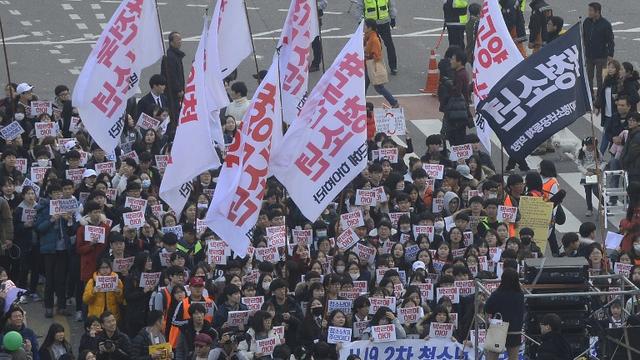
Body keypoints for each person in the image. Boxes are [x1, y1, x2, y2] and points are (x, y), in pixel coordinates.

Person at [484, 268, 524, 360]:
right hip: (515, 329)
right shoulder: (520, 295)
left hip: (498, 328)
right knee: (513, 357)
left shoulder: (497, 294)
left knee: (492, 357)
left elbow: (487, 309)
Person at [363, 19, 399, 108]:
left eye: (365, 26)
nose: (364, 27)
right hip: (368, 65)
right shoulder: (368, 36)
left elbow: (377, 55)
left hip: (371, 66)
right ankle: (359, 102)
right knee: (364, 86)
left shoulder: (373, 39)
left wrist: (367, 54)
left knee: (378, 87)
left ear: (370, 28)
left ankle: (394, 102)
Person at [357, 0, 398, 74]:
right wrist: (360, 20)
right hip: (371, 24)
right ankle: (368, 66)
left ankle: (393, 67)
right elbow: (360, 6)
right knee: (371, 46)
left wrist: (393, 18)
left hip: (384, 22)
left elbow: (391, 4)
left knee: (389, 45)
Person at [583, 2, 615, 92]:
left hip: (601, 56)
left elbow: (610, 41)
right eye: (589, 10)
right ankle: (590, 95)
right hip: (589, 56)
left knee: (601, 78)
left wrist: (610, 54)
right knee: (588, 77)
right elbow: (583, 36)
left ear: (597, 12)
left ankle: (600, 98)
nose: (589, 12)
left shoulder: (605, 24)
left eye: (591, 10)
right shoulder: (586, 22)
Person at [443, 47, 471, 146]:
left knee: (456, 139)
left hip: (458, 112)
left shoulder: (460, 75)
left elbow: (457, 92)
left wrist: (448, 84)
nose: (451, 61)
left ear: (459, 62)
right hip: (461, 110)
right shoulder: (462, 73)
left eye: (453, 59)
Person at [161, 31, 185, 122]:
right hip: (172, 94)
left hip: (176, 93)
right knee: (174, 114)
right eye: (178, 40)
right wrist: (178, 89)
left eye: (180, 39)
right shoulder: (170, 57)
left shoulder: (175, 55)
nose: (180, 41)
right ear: (171, 42)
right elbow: (172, 76)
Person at [309, 0, 327, 72]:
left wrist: (314, 7)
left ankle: (316, 63)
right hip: (302, 17)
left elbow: (324, 3)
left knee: (315, 41)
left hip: (314, 18)